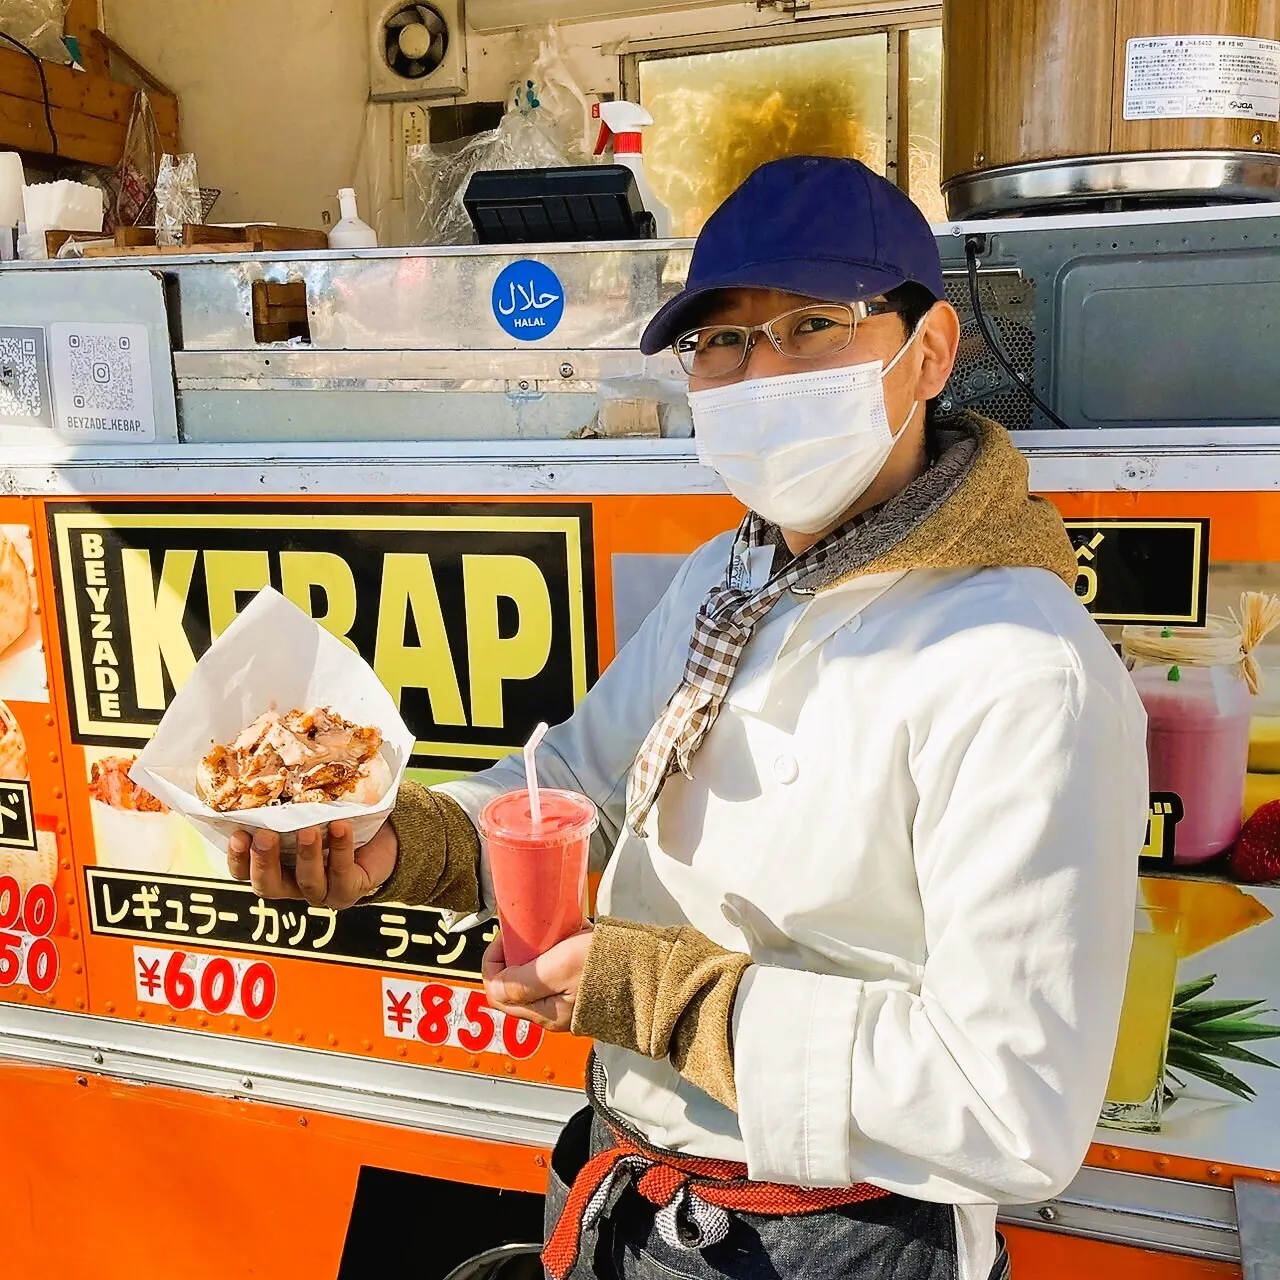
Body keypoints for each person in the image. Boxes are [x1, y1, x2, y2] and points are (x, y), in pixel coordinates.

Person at [230, 156, 1149, 1280]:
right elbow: (576, 791)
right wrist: (397, 841)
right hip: (627, 1183)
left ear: (931, 352)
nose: (759, 373)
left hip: (837, 1241)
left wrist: (661, 997)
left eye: (810, 325)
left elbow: (1013, 1107)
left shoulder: (1020, 665)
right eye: (718, 341)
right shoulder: (727, 575)